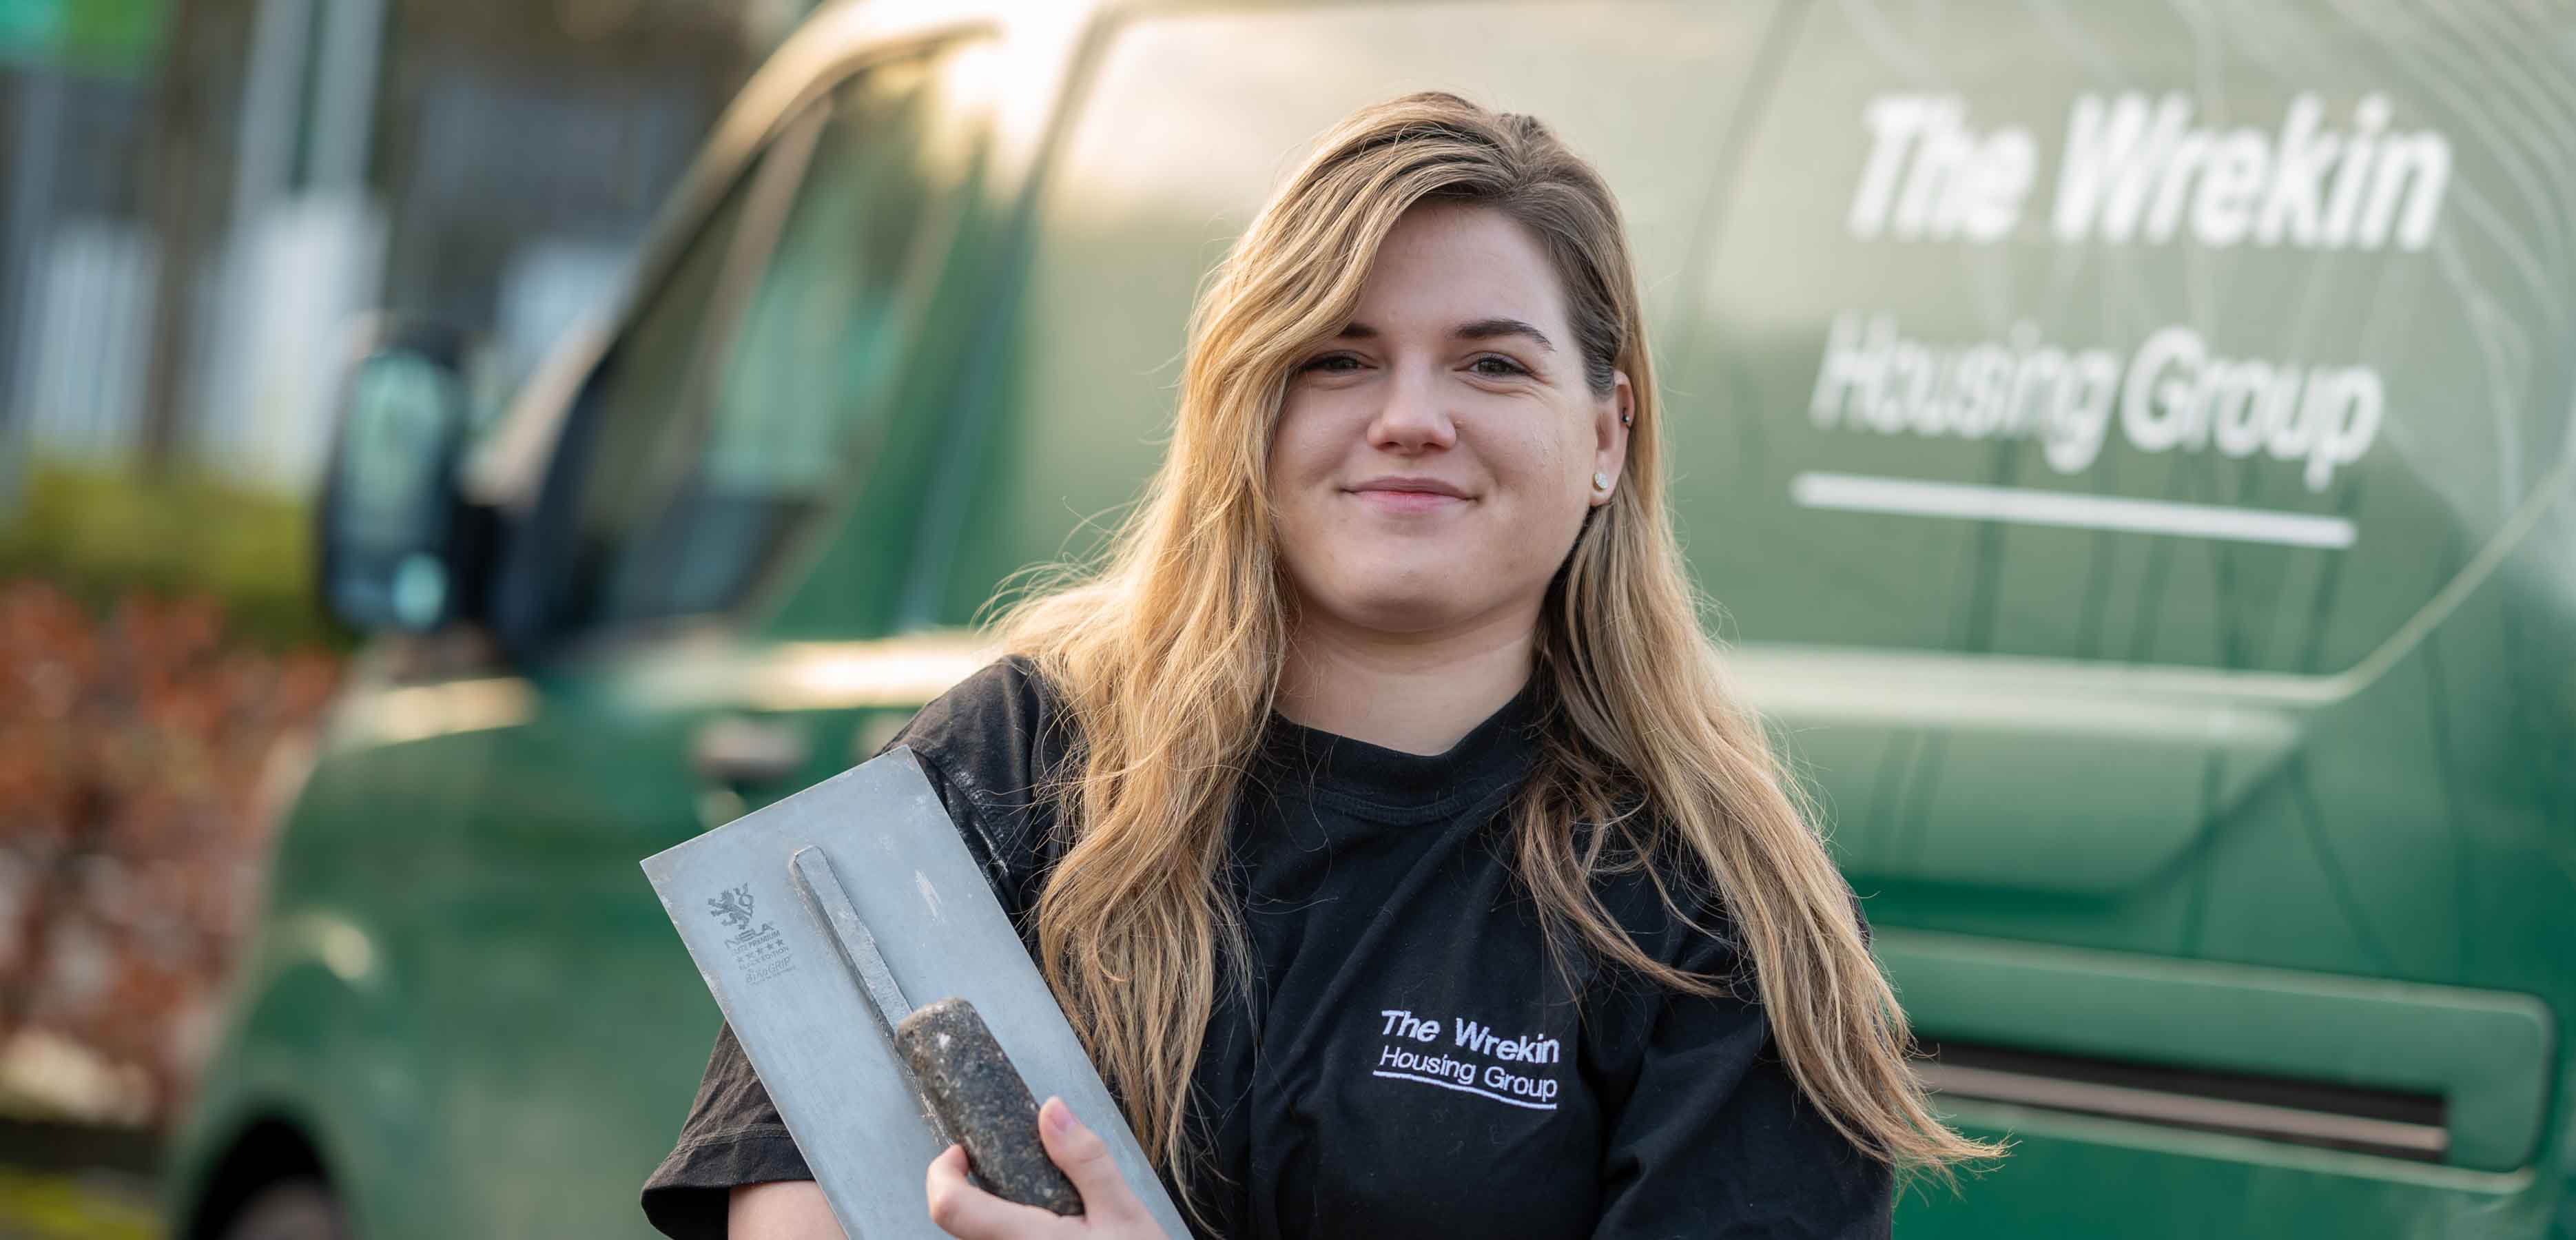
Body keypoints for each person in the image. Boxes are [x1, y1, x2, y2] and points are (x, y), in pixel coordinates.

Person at [637, 90, 2001, 1240]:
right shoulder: (1008, 768)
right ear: (1250, 407)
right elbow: (791, 1198)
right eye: (1339, 358)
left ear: (1606, 437)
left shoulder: (1716, 921)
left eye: (1490, 365)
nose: (1411, 418)